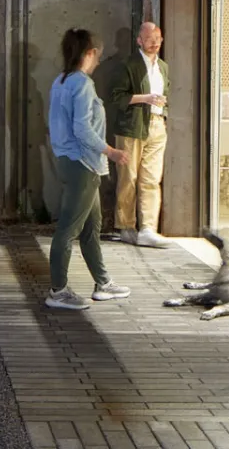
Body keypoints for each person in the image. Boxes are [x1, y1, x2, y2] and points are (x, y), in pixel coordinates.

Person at [45, 29, 132, 310]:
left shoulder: (60, 82)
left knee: (91, 228)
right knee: (68, 230)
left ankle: (103, 283)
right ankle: (58, 291)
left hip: (72, 162)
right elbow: (82, 128)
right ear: (89, 53)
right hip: (82, 164)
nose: (98, 61)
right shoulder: (82, 83)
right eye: (97, 55)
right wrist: (112, 151)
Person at [108, 22, 173, 248]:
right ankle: (126, 225)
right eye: (149, 38)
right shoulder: (129, 64)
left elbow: (166, 93)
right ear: (139, 40)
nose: (154, 42)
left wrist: (162, 109)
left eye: (158, 38)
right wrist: (144, 98)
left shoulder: (163, 66)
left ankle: (148, 228)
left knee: (152, 179)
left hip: (156, 124)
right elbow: (117, 97)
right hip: (131, 126)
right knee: (129, 177)